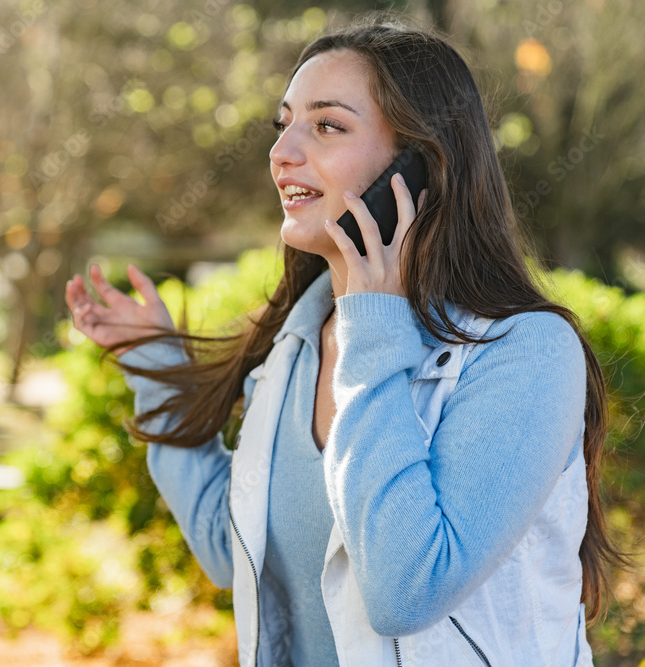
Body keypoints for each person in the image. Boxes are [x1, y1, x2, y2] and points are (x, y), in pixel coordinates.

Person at [64, 14, 630, 667]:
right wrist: (154, 363)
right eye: (285, 125)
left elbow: (403, 592)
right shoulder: (297, 344)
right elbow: (234, 550)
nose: (282, 153)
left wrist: (374, 323)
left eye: (328, 126)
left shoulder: (525, 351)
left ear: (419, 168)